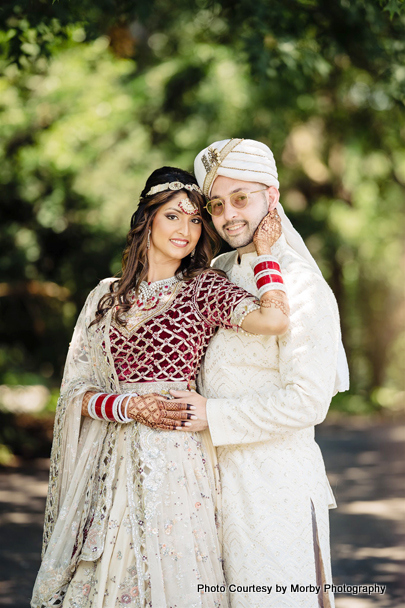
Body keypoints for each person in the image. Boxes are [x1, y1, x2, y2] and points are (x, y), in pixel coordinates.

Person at [31, 166, 290, 608]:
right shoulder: (105, 298)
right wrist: (130, 407)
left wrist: (265, 255)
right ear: (146, 220)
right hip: (109, 465)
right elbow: (76, 393)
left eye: (194, 220)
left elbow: (274, 320)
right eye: (173, 216)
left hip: (176, 464)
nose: (186, 230)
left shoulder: (204, 288)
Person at [166, 139, 350, 608]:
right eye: (217, 204)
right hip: (205, 483)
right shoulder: (216, 272)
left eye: (241, 198)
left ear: (273, 195)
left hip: (276, 491)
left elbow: (307, 401)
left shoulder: (303, 286)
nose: (228, 215)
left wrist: (213, 415)